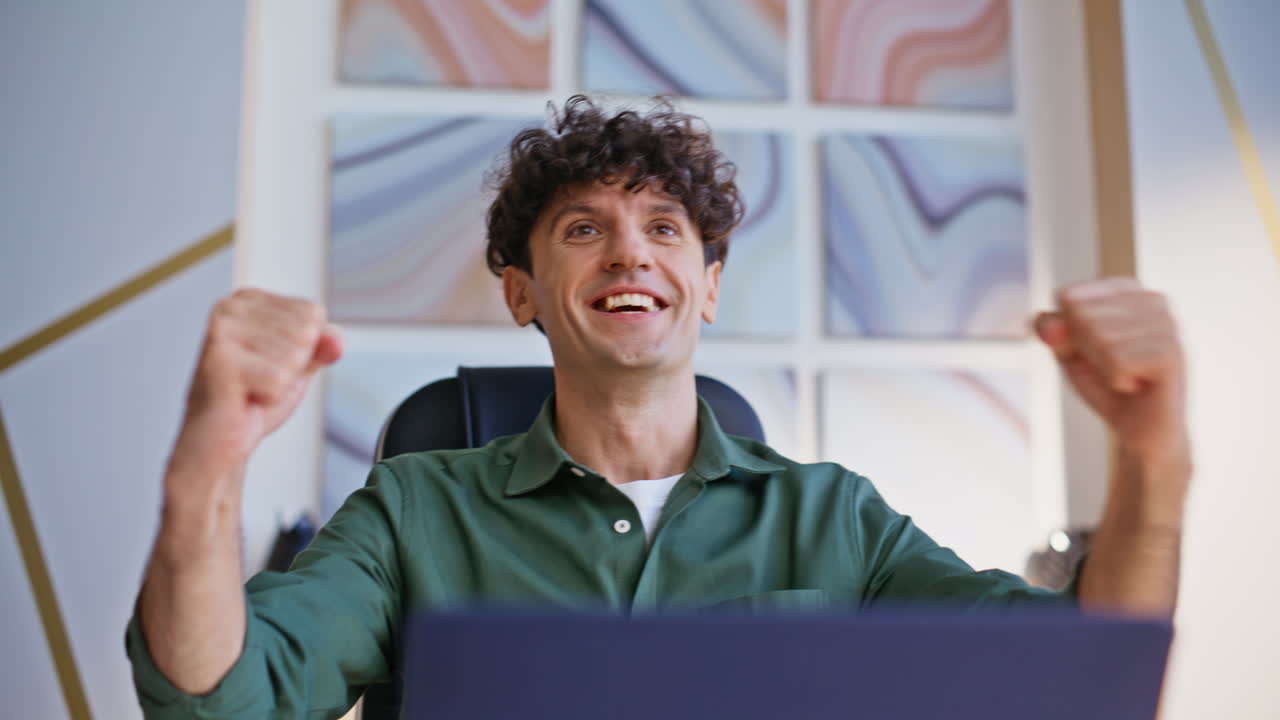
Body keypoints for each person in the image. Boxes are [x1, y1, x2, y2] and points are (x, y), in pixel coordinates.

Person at [126, 96, 1191, 718]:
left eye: (665, 227)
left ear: (709, 285)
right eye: (582, 229)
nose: (629, 248)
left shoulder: (833, 519)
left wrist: (1152, 463)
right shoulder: (412, 509)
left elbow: (1070, 685)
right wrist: (202, 475)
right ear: (521, 291)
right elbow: (219, 701)